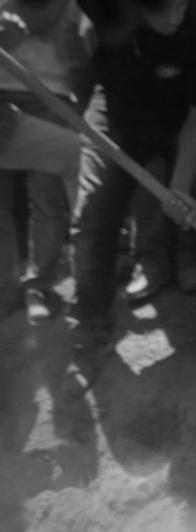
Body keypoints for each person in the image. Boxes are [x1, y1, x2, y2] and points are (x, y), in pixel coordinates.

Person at [69, 0, 196, 387]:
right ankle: (90, 332)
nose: (174, 19)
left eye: (180, 5)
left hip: (186, 116)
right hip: (117, 114)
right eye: (161, 9)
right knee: (93, 219)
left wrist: (179, 188)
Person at [0, 0, 88, 325]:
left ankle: (40, 285)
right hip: (1, 94)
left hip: (50, 90)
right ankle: (6, 291)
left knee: (47, 197)